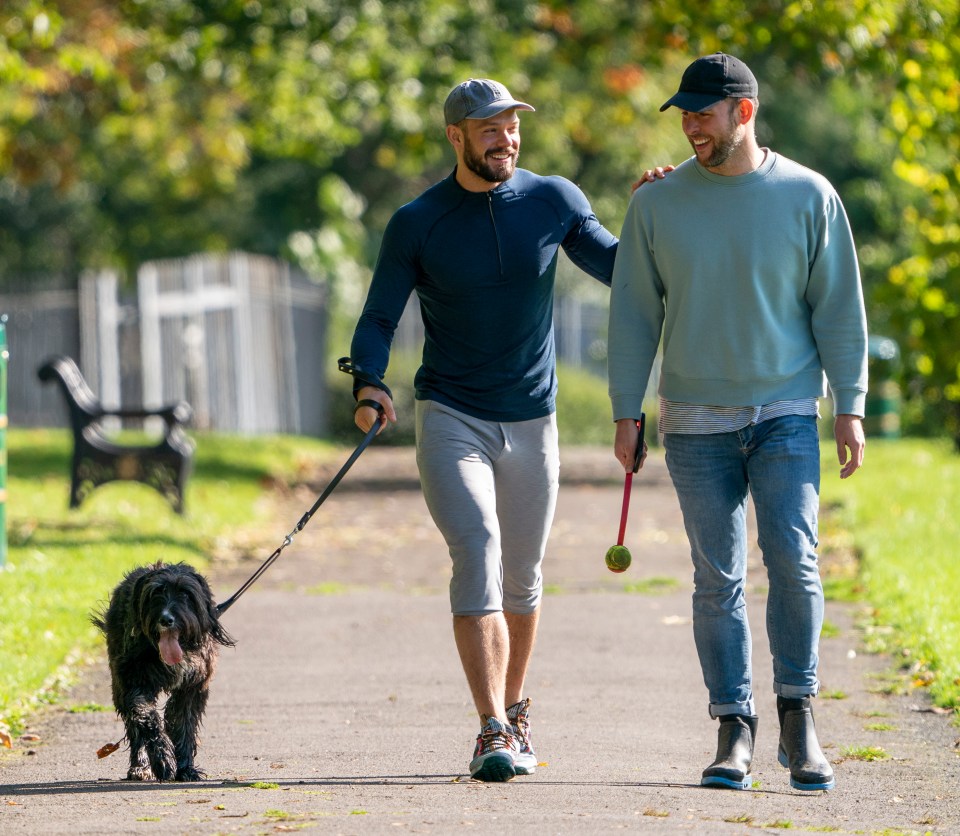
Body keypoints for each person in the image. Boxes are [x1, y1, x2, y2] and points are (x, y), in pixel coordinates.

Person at [342, 78, 636, 782]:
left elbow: (621, 266)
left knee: (524, 576)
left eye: (511, 126)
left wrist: (661, 207)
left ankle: (515, 709)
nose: (504, 138)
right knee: (477, 550)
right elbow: (380, 315)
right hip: (452, 414)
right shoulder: (420, 221)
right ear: (456, 137)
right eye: (488, 128)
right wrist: (369, 382)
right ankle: (491, 728)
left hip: (533, 418)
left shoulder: (552, 200)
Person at [607, 53, 868, 792]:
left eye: (703, 112)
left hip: (786, 411)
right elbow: (632, 315)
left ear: (743, 113)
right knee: (716, 578)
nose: (691, 125)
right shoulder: (655, 205)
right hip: (693, 422)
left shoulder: (809, 195)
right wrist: (627, 411)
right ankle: (734, 729)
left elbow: (839, 311)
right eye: (683, 114)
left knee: (795, 560)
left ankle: (799, 719)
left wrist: (848, 404)